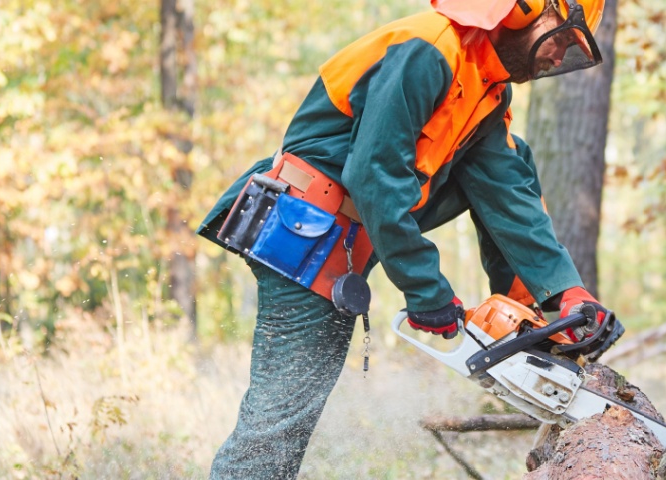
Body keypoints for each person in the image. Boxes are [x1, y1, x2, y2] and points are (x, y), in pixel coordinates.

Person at [194, 0, 619, 476]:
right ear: (525, 9)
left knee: (512, 158)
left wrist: (564, 294)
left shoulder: (486, 88)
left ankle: (528, 311)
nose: (559, 57)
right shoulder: (429, 49)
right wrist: (427, 290)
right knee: (278, 425)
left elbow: (508, 193)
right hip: (304, 232)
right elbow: (375, 173)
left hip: (347, 240)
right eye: (562, 37)